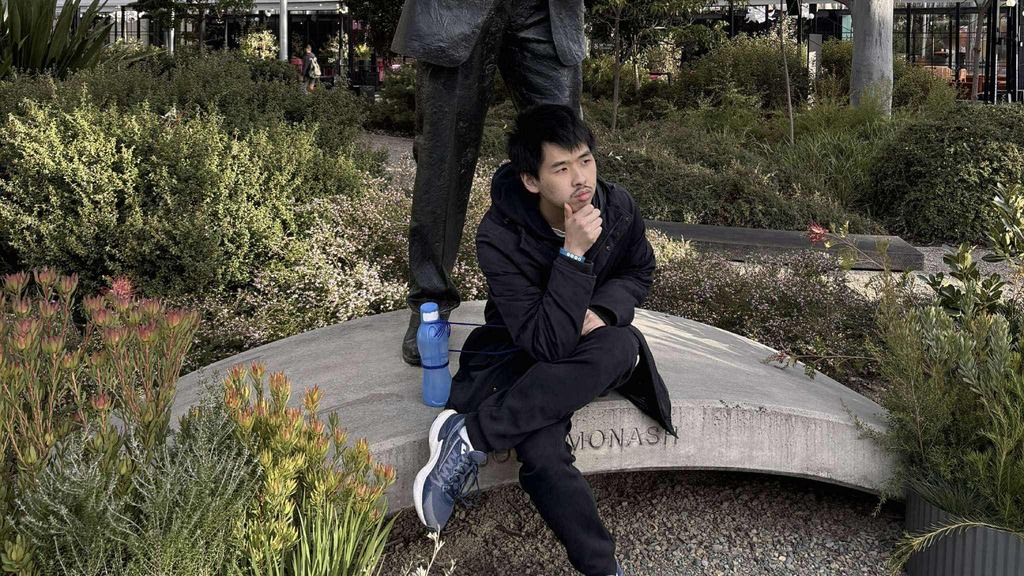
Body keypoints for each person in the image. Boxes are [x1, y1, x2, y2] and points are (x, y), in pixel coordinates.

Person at [412, 105, 676, 576]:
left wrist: (603, 311)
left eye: (586, 160)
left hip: (590, 345)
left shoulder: (617, 208)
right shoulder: (499, 235)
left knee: (621, 346)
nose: (581, 178)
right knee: (541, 449)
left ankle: (472, 435)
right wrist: (572, 255)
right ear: (531, 180)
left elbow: (640, 270)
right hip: (520, 350)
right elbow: (545, 343)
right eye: (562, 168)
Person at [391, 0, 585, 365]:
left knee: (566, 149)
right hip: (453, 9)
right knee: (443, 158)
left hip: (545, 9)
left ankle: (567, 293)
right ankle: (430, 302)